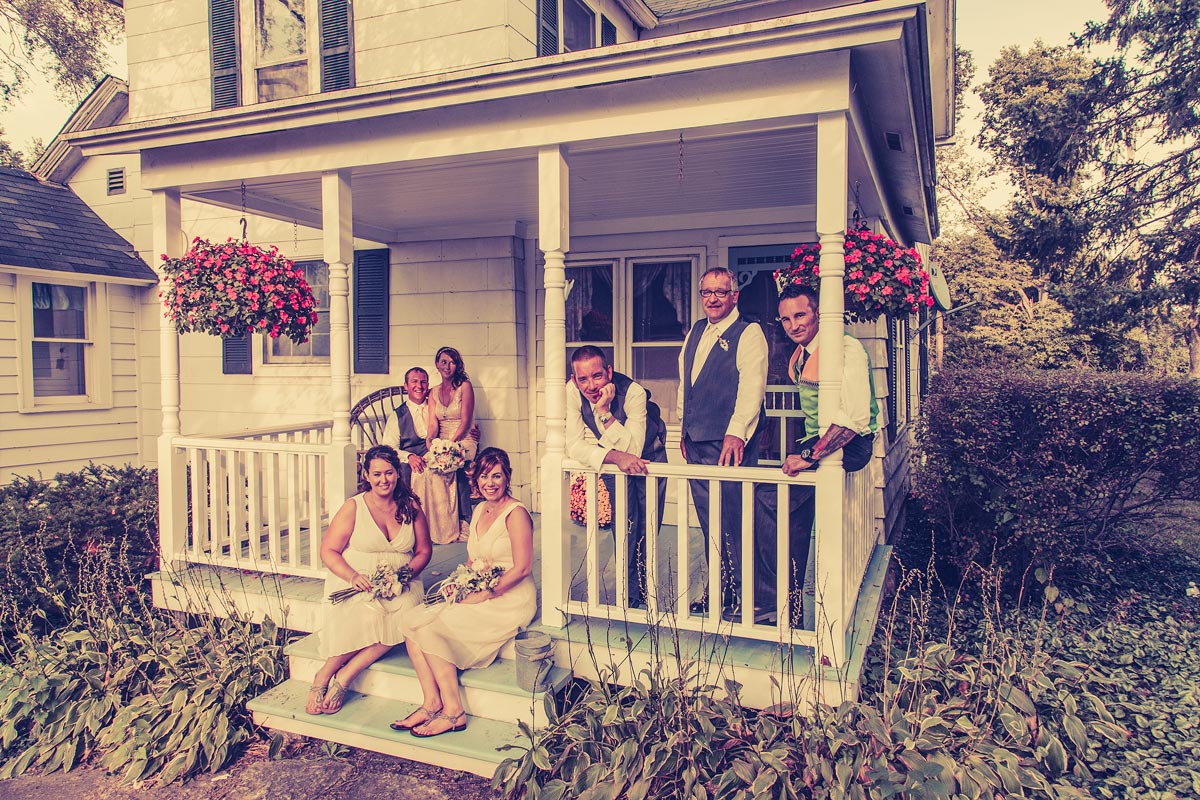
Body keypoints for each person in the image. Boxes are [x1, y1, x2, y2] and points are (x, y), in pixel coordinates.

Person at [392, 448, 536, 737]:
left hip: (510, 596)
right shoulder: (480, 509)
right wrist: (459, 584)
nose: (490, 483)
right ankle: (431, 702)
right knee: (411, 623)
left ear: (507, 477)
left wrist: (485, 594)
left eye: (497, 476)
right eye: (484, 476)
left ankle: (454, 711)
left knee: (429, 629)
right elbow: (473, 560)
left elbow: (521, 568)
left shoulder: (516, 513)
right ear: (476, 479)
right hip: (480, 587)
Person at [774, 282, 879, 620]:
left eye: (801, 315)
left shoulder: (845, 349)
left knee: (786, 513)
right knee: (783, 513)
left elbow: (854, 418)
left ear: (818, 313)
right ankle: (787, 606)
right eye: (786, 319)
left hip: (850, 444)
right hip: (820, 443)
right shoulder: (801, 354)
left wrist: (809, 457)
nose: (794, 325)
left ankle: (806, 609)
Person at [307, 445, 432, 715]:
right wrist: (352, 576)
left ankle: (345, 676)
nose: (383, 480)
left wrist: (407, 573)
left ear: (398, 474)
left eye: (389, 473)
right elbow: (328, 551)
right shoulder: (354, 507)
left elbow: (424, 550)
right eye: (376, 474)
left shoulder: (410, 506)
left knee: (405, 617)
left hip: (402, 582)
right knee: (362, 615)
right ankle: (323, 675)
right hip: (356, 580)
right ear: (366, 474)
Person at [676, 267, 769, 617]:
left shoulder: (749, 333)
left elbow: (752, 388)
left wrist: (736, 431)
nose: (712, 299)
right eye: (706, 292)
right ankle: (720, 592)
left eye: (720, 291)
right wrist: (684, 428)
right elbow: (686, 382)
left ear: (735, 295)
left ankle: (751, 600)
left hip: (730, 444)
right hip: (697, 441)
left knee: (735, 520)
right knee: (710, 523)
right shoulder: (697, 330)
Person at [566, 345, 668, 608]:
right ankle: (630, 594)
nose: (590, 386)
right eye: (582, 379)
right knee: (624, 526)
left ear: (609, 372)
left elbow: (633, 448)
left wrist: (604, 412)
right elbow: (574, 446)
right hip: (612, 460)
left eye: (597, 376)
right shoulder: (572, 391)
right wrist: (614, 457)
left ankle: (645, 592)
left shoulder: (633, 392)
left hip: (649, 459)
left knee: (647, 527)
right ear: (574, 378)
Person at [425, 347, 478, 544]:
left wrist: (450, 444)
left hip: (463, 438)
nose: (448, 366)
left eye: (452, 362)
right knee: (429, 469)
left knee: (457, 462)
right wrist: (431, 440)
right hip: (443, 440)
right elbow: (432, 423)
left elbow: (465, 421)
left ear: (458, 365)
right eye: (444, 362)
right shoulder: (433, 392)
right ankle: (440, 524)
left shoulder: (465, 386)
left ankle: (464, 521)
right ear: (437, 364)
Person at [381, 367, 432, 487]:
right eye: (414, 381)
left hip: (436, 461)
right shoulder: (397, 416)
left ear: (428, 385)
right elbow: (388, 447)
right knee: (403, 471)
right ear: (406, 386)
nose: (419, 386)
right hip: (411, 467)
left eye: (423, 382)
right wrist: (408, 457)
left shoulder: (436, 409)